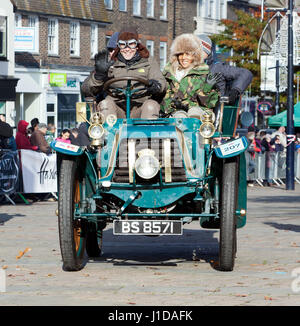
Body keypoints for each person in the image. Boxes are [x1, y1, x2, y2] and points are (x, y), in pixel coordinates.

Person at [81, 26, 166, 119]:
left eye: (131, 44)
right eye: (123, 45)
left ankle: (148, 132)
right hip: (116, 109)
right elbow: (86, 89)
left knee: (151, 106)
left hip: (140, 107)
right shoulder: (109, 62)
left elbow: (161, 81)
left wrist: (156, 86)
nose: (127, 49)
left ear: (137, 46)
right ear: (118, 46)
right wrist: (99, 75)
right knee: (105, 104)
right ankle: (110, 132)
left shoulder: (148, 61)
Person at [160, 33, 219, 118]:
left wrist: (208, 89)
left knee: (194, 113)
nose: (184, 58)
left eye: (188, 54)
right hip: (174, 113)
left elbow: (210, 104)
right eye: (181, 54)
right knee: (180, 117)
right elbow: (164, 100)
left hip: (199, 113)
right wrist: (174, 106)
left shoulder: (203, 73)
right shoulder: (169, 73)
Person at [197, 34, 253, 105]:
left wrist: (235, 90)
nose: (198, 54)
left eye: (202, 51)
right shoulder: (185, 67)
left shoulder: (216, 68)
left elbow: (245, 73)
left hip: (214, 107)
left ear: (208, 53)